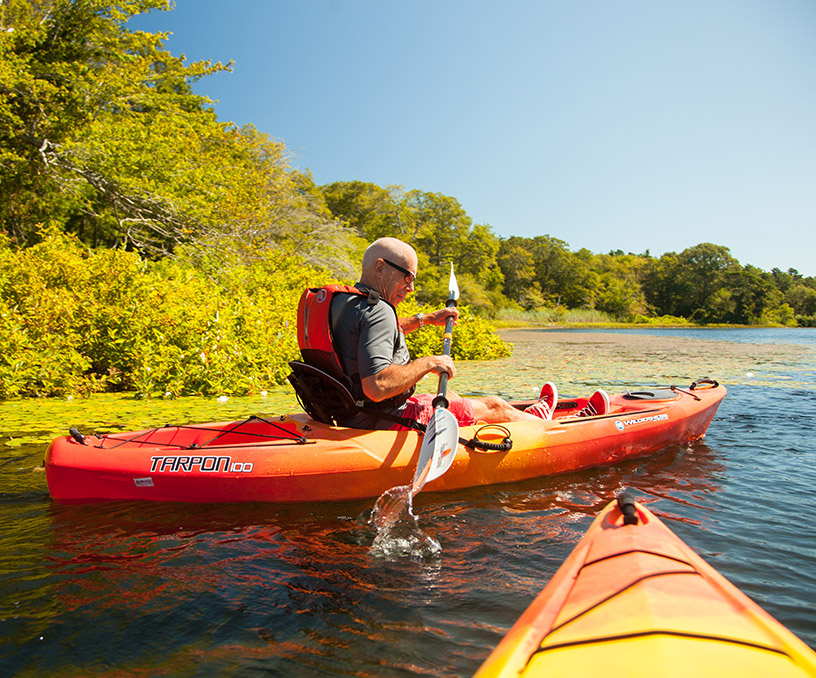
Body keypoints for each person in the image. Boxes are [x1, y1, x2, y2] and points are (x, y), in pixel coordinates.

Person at [305, 237, 607, 429]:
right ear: (381, 268)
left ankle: (535, 415)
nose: (411, 288)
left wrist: (426, 319)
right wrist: (429, 363)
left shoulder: (343, 302)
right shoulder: (379, 310)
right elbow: (377, 386)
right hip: (380, 418)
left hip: (346, 412)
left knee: (459, 399)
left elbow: (368, 337)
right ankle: (553, 427)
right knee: (493, 405)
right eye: (408, 277)